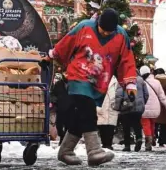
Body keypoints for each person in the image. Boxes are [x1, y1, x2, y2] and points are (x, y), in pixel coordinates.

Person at [43, 8, 137, 166]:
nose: (106, 34)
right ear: (97, 23)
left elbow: (126, 59)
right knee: (88, 112)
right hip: (78, 76)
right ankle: (94, 152)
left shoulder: (121, 35)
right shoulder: (84, 27)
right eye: (103, 30)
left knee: (80, 117)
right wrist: (49, 57)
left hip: (99, 82)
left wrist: (130, 84)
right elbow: (65, 43)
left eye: (109, 31)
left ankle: (65, 151)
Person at [140, 66, 166, 151]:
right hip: (155, 107)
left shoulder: (141, 82)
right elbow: (162, 97)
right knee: (152, 124)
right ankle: (152, 137)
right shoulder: (157, 82)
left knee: (145, 124)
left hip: (144, 107)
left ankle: (148, 141)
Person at [118, 73, 149, 152]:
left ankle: (127, 145)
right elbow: (146, 94)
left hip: (126, 105)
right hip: (138, 107)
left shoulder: (123, 79)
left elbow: (119, 94)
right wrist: (142, 103)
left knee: (126, 126)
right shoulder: (141, 80)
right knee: (137, 123)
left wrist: (118, 106)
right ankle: (138, 138)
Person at [154, 68, 166, 147]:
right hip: (164, 105)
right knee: (163, 125)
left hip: (154, 104)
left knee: (154, 123)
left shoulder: (154, 81)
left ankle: (153, 137)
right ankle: (162, 141)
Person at [97, 77, 119, 150]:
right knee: (102, 126)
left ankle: (108, 144)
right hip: (102, 105)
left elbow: (118, 93)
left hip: (111, 107)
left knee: (110, 127)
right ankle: (104, 144)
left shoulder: (116, 81)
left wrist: (116, 104)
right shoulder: (99, 79)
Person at [50, 72, 71, 145]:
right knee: (59, 125)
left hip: (70, 108)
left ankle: (64, 140)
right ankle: (62, 135)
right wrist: (55, 100)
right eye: (65, 74)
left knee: (68, 125)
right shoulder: (58, 84)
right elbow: (52, 94)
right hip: (60, 107)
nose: (66, 75)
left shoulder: (73, 84)